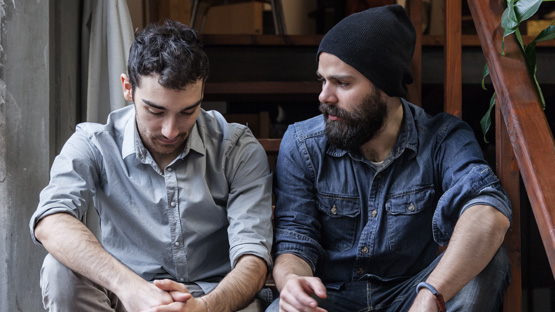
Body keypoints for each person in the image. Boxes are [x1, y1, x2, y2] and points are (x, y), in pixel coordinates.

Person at [267, 5, 512, 312]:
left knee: (491, 262)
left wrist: (430, 296)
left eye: (342, 83)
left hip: (411, 293)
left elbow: (488, 213)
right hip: (332, 297)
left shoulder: (442, 138)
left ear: (384, 87)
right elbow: (294, 238)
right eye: (322, 80)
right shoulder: (303, 143)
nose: (324, 96)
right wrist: (292, 281)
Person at [30, 20, 274, 312]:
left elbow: (254, 260)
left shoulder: (237, 148)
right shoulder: (94, 143)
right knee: (58, 269)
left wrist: (204, 308)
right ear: (127, 88)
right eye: (155, 111)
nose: (171, 130)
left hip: (215, 300)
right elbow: (51, 219)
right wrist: (129, 287)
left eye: (188, 111)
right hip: (127, 296)